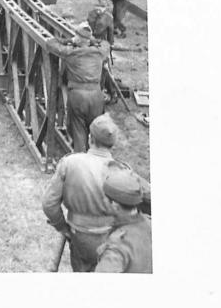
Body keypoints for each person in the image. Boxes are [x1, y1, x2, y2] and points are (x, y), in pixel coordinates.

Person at [42, 114, 151, 272]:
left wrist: (62, 227)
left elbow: (49, 203)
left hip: (79, 236)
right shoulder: (123, 171)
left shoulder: (70, 163)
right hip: (112, 237)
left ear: (89, 138)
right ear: (112, 143)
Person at [44, 21, 109, 152]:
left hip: (78, 96)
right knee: (96, 129)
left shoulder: (71, 52)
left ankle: (81, 160)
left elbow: (50, 43)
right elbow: (106, 43)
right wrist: (90, 40)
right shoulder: (99, 52)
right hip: (97, 95)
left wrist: (70, 40)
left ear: (77, 38)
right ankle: (98, 159)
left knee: (78, 130)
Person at [95, 168, 153, 273]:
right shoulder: (149, 223)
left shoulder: (116, 249)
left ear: (115, 205)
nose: (102, 200)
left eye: (105, 198)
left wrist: (109, 246)